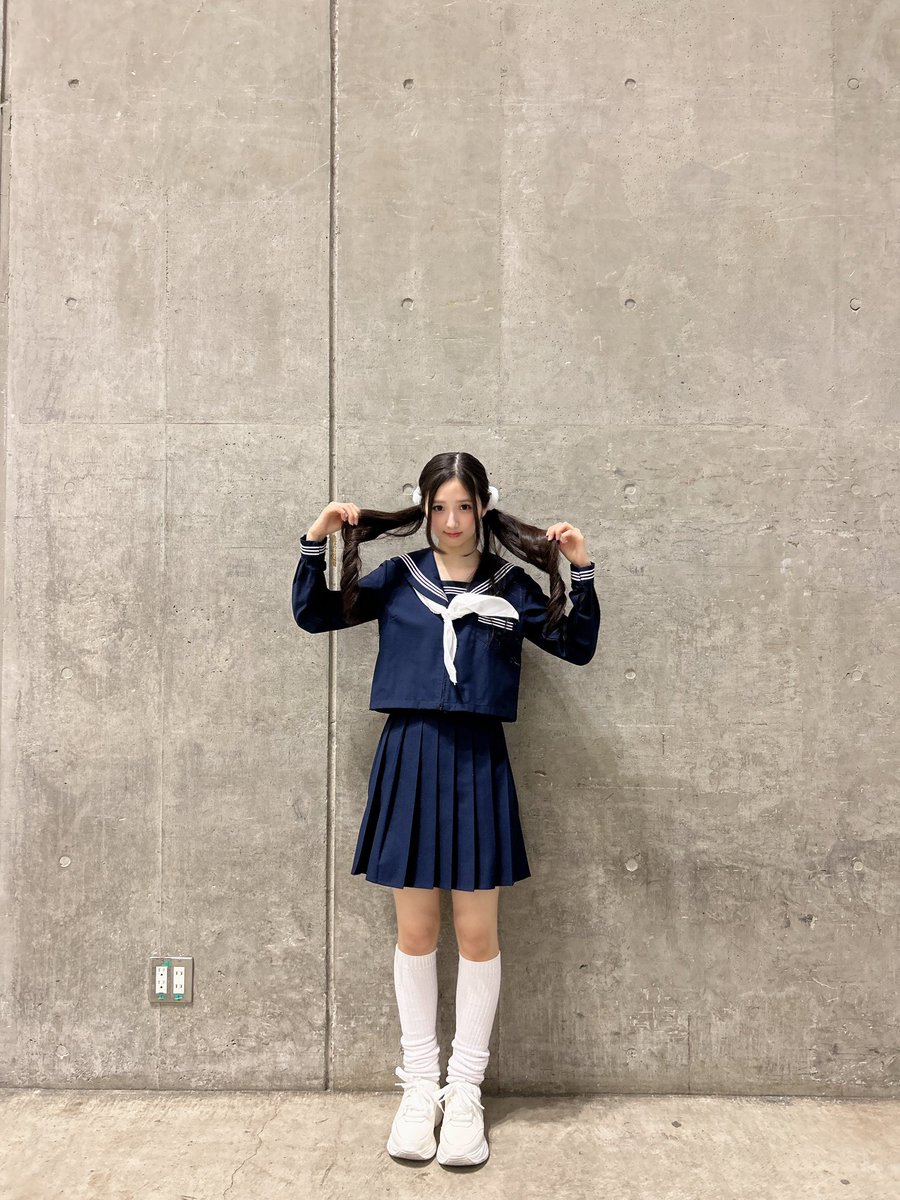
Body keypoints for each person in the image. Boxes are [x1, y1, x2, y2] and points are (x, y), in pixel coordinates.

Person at [291, 451, 600, 1168]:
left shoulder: (510, 586)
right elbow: (315, 614)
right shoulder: (399, 578)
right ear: (424, 508)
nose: (451, 522)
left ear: (483, 507)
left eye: (464, 507)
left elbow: (576, 646)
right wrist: (317, 540)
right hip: (409, 757)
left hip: (477, 764)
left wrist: (581, 570)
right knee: (417, 931)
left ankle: (465, 1092)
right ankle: (419, 1088)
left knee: (477, 933)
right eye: (439, 508)